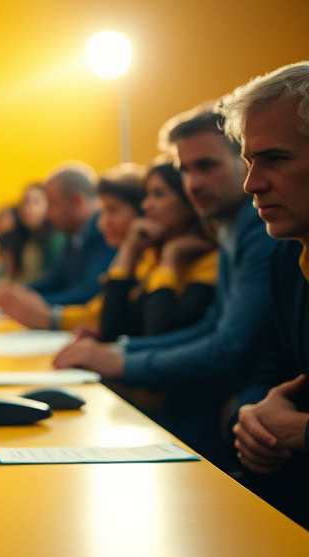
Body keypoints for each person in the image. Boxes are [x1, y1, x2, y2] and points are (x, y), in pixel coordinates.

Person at [54, 107, 276, 467]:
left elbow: (228, 347)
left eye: (207, 165)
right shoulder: (232, 227)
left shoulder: (257, 229)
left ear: (244, 162)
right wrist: (119, 352)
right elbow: (213, 328)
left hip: (224, 410)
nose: (194, 184)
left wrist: (121, 362)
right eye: (186, 170)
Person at [218, 62, 309, 528]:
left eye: (274, 159)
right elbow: (272, 365)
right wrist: (253, 415)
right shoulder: (286, 255)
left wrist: (301, 431)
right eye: (250, 161)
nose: (251, 184)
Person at [0, 164, 117, 327]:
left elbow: (90, 293)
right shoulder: (73, 235)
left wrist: (33, 305)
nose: (47, 214)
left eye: (51, 204)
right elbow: (53, 280)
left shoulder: (105, 232)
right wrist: (16, 294)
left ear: (77, 201)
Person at [98, 162, 218, 341]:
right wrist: (129, 250)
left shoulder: (210, 262)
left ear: (189, 201)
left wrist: (170, 259)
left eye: (158, 194)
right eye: (146, 195)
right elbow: (111, 331)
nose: (145, 205)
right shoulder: (152, 253)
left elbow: (159, 332)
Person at [0, 183, 65, 285]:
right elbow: (8, 276)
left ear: (49, 206)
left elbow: (51, 282)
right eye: (25, 202)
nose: (29, 208)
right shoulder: (23, 239)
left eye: (36, 202)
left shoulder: (57, 240)